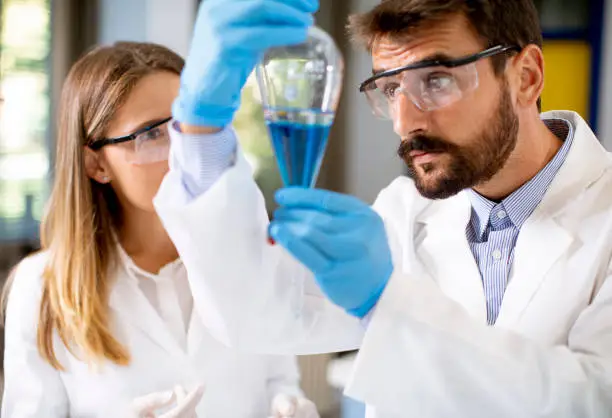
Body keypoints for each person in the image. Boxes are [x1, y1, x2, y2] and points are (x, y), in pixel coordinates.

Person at [153, 0, 612, 416]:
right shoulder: (403, 213)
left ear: (525, 77)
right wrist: (200, 127)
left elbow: (591, 399)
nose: (405, 121)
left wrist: (386, 301)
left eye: (437, 79)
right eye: (390, 88)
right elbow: (256, 312)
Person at [0, 41, 320, 418]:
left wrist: (288, 406)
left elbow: (278, 381)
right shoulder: (42, 287)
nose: (184, 153)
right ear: (96, 164)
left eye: (188, 127)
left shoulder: (252, 253)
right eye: (151, 135)